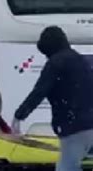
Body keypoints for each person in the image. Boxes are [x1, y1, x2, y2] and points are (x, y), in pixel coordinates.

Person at [11, 26, 93, 171]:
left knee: (67, 168)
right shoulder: (81, 61)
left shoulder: (55, 64)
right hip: (89, 124)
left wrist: (19, 116)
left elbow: (39, 92)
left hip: (74, 126)